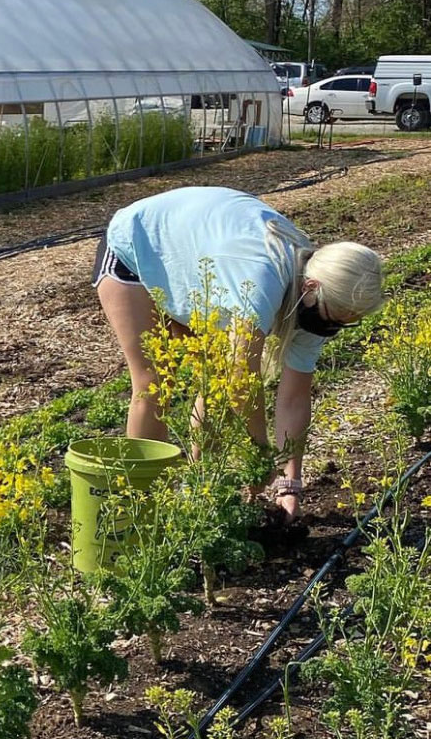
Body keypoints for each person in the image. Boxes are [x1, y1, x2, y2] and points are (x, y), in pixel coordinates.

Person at [92, 186, 382, 522]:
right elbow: (241, 379)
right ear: (311, 288)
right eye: (333, 317)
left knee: (215, 384)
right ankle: (139, 508)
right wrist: (259, 454)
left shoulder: (319, 298)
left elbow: (294, 398)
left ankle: (200, 491)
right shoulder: (261, 281)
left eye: (346, 323)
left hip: (199, 260)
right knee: (155, 382)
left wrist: (289, 483)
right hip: (139, 246)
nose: (330, 328)